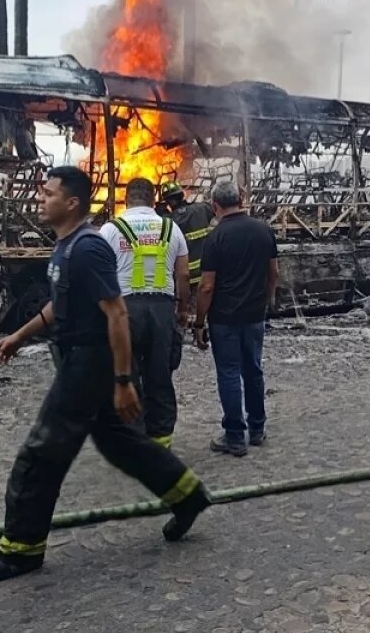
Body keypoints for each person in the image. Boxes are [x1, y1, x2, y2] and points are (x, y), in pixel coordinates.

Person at [0, 166, 211, 581]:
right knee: (122, 443)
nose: (40, 200)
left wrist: (122, 381)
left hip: (87, 362)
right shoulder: (67, 248)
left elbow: (116, 312)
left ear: (72, 203)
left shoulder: (88, 247)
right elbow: (58, 306)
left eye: (48, 194)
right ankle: (187, 496)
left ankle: (21, 548)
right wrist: (18, 336)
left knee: (42, 452)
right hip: (77, 358)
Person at [99, 178, 191, 449]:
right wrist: (182, 310)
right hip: (162, 310)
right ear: (153, 200)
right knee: (159, 376)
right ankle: (161, 442)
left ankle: (134, 441)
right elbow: (183, 274)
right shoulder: (170, 228)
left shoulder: (110, 230)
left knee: (127, 376)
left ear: (126, 199)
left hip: (124, 310)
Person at [193, 180, 279, 457]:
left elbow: (207, 286)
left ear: (215, 206)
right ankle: (257, 428)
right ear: (241, 199)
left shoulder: (215, 238)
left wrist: (198, 321)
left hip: (224, 318)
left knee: (229, 373)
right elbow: (273, 273)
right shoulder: (264, 230)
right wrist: (265, 301)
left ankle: (234, 436)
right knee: (253, 369)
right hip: (254, 315)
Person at [161, 180, 215, 287]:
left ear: (169, 202)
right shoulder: (203, 208)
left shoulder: (168, 221)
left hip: (185, 278)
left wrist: (161, 212)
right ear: (182, 194)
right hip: (206, 274)